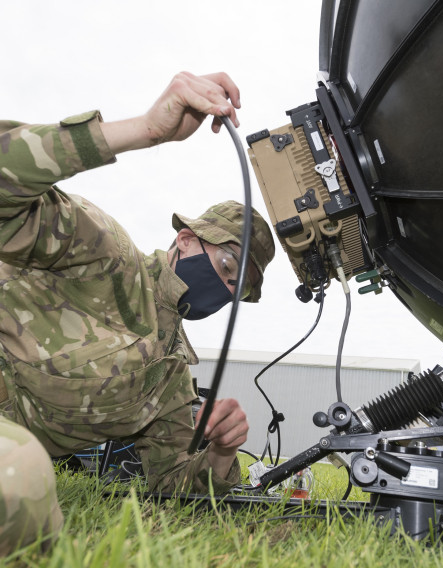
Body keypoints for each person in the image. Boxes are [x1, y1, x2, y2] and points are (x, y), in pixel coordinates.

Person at [0, 71, 275, 554]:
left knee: (20, 476)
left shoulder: (169, 376)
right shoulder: (104, 255)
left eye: (240, 290)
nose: (227, 289)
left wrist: (221, 452)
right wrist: (145, 130)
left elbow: (172, 483)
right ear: (186, 240)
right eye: (228, 265)